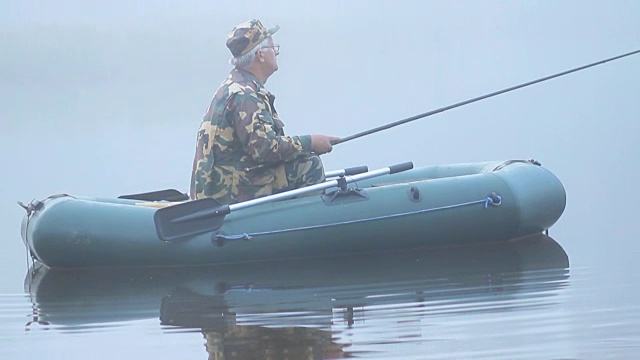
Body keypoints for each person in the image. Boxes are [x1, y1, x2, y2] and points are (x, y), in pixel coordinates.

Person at [190, 19, 340, 204]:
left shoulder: (236, 84)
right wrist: (310, 142)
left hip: (223, 183)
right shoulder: (245, 96)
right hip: (228, 193)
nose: (276, 52)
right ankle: (305, 226)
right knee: (309, 165)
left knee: (301, 158)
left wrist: (308, 145)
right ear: (260, 55)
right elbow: (264, 149)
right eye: (272, 47)